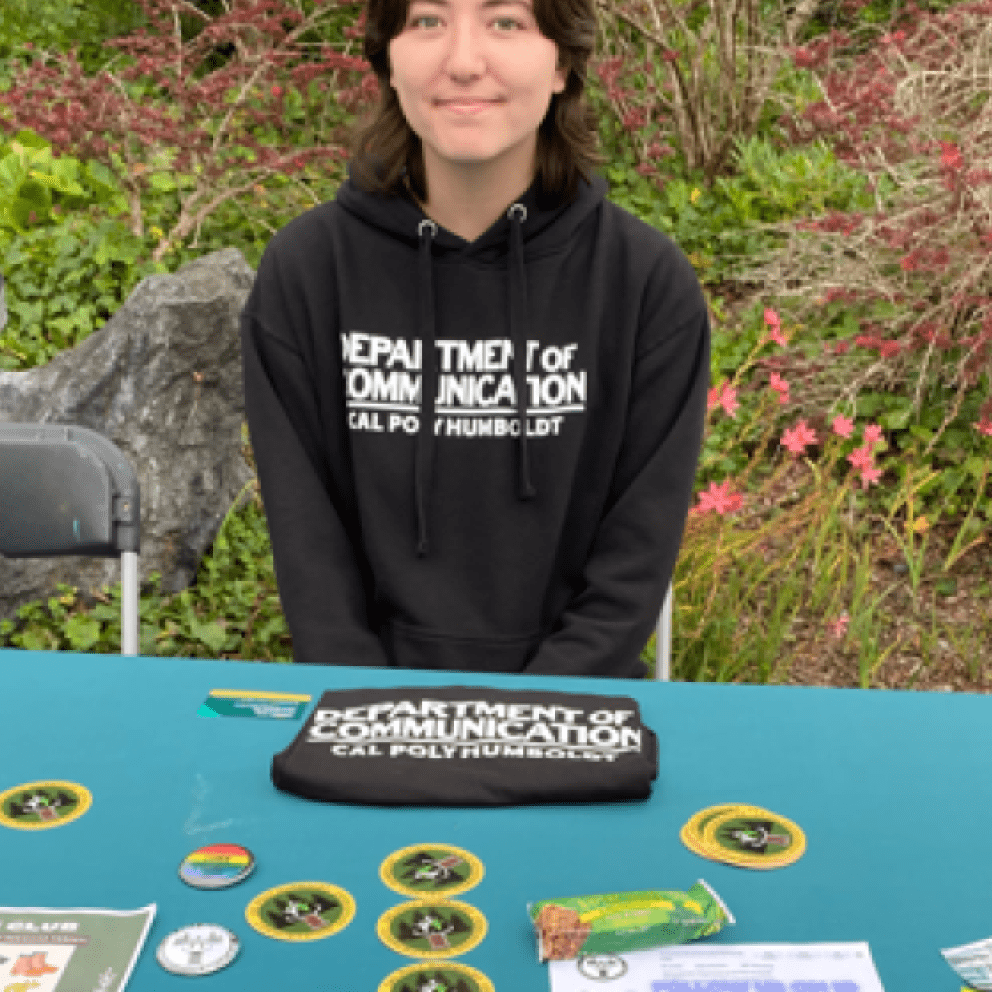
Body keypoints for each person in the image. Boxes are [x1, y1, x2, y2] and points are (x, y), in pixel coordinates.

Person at [240, 0, 710, 679]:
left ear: (562, 62)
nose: (462, 62)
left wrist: (528, 722)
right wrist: (372, 710)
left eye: (506, 21)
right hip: (365, 712)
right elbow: (312, 558)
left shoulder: (645, 287)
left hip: (573, 717)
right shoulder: (308, 275)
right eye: (427, 21)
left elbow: (632, 566)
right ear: (387, 60)